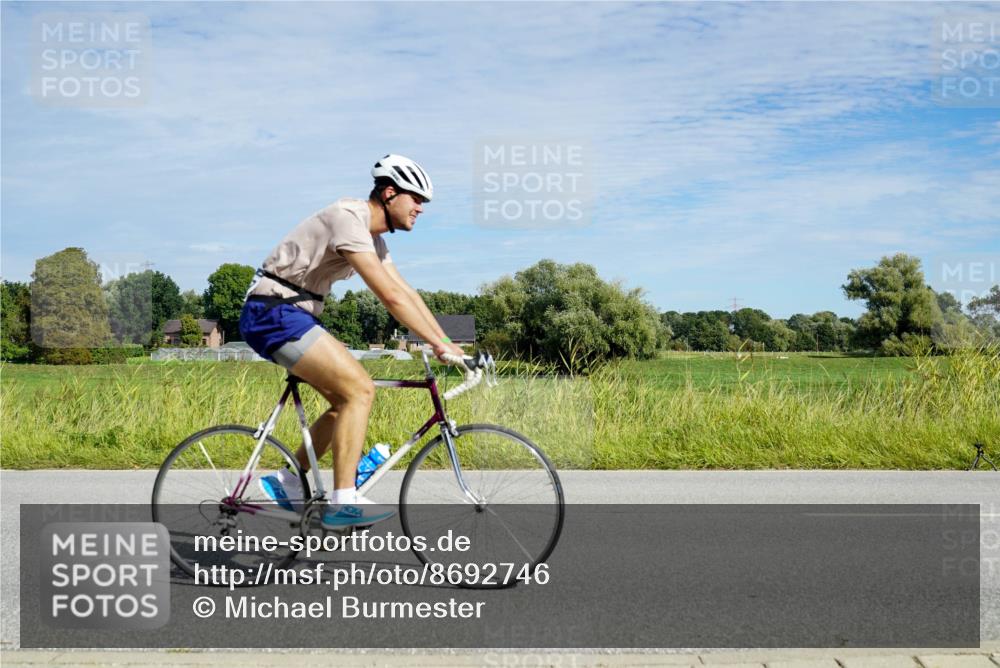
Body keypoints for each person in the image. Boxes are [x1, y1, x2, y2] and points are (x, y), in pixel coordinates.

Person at [238, 154, 465, 528]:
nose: (420, 208)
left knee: (343, 402)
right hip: (273, 312)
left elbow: (405, 292)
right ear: (390, 193)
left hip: (289, 314)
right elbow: (388, 298)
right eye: (416, 199)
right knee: (359, 390)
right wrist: (439, 345)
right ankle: (343, 503)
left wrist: (443, 338)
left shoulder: (373, 239)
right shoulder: (348, 219)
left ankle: (288, 480)